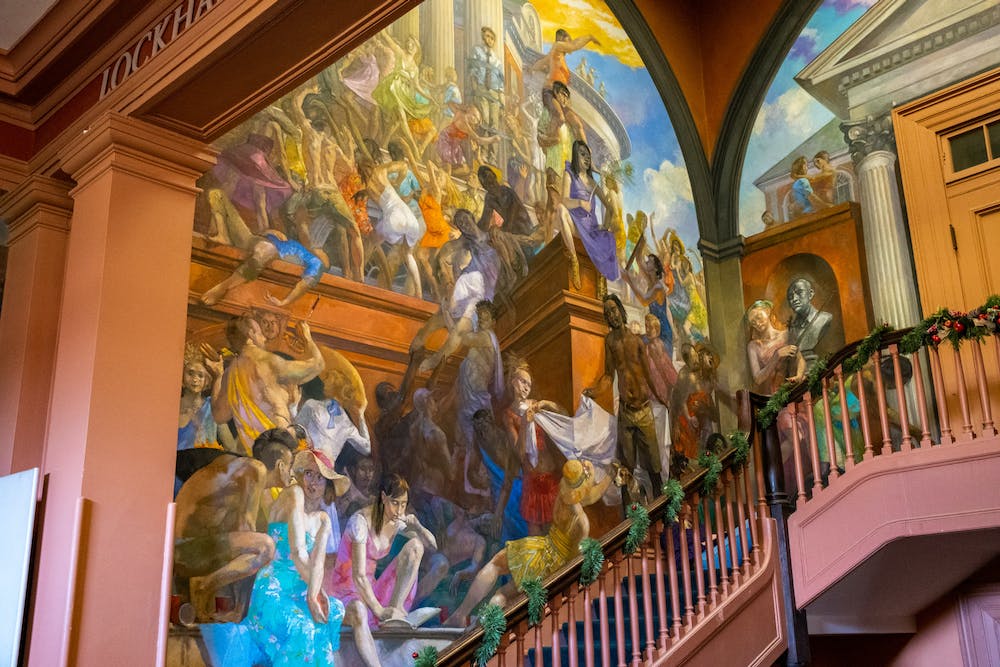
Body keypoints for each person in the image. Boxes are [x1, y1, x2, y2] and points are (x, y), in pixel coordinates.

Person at [443, 459, 611, 627]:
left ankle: (464, 619)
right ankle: (473, 628)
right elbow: (574, 561)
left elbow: (586, 498)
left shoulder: (562, 496)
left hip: (541, 549)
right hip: (550, 560)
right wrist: (609, 478)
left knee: (498, 572)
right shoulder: (581, 522)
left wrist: (609, 478)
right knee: (504, 592)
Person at [172, 428, 297, 622]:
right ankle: (204, 585)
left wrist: (240, 607)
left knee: (257, 546)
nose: (292, 473)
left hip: (190, 552)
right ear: (281, 465)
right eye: (291, 466)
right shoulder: (255, 469)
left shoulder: (240, 472)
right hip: (183, 551)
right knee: (265, 546)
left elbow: (237, 537)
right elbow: (246, 532)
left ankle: (209, 591)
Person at [240, 449, 346, 666]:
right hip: (274, 584)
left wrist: (317, 593)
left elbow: (318, 564)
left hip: (302, 586)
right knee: (302, 626)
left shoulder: (323, 520)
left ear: (327, 486)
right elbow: (298, 552)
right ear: (300, 475)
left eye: (320, 478)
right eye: (309, 473)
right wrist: (312, 595)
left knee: (334, 610)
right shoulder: (293, 494)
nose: (313, 483)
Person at [326, 474, 437, 667]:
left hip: (373, 591)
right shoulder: (360, 522)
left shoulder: (397, 522)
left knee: (415, 546)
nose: (399, 509)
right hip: (349, 593)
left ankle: (395, 611)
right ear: (383, 497)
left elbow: (432, 546)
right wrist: (378, 610)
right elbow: (359, 576)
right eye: (395, 503)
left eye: (404, 504)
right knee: (361, 609)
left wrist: (417, 526)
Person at [585, 294, 671, 504]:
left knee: (653, 466)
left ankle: (662, 510)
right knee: (626, 467)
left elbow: (649, 374)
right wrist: (594, 392)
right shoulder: (610, 342)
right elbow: (608, 375)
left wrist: (662, 398)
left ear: (621, 310)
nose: (611, 316)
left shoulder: (637, 340)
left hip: (643, 409)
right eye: (607, 313)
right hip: (626, 412)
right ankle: (629, 518)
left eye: (613, 310)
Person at [209, 315, 325, 454]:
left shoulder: (230, 373)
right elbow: (317, 365)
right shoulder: (267, 361)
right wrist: (307, 338)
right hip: (278, 447)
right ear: (251, 334)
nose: (264, 337)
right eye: (260, 332)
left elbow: (219, 415)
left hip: (251, 451)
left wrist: (217, 377)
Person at [502, 361, 567, 535]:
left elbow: (564, 416)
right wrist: (524, 423)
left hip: (551, 480)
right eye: (523, 381)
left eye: (529, 384)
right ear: (512, 380)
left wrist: (545, 403)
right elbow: (520, 452)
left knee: (556, 537)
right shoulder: (509, 415)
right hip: (532, 485)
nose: (526, 388)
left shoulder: (535, 405)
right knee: (536, 543)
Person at [356, 137, 425, 297]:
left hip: (394, 218)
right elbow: (403, 165)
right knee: (408, 254)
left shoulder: (369, 185)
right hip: (408, 217)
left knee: (371, 242)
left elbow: (403, 165)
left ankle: (358, 278)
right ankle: (419, 293)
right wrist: (397, 182)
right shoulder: (381, 171)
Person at [563, 140, 620, 284]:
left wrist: (605, 226)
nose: (587, 158)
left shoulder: (592, 182)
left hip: (591, 229)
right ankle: (574, 260)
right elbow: (563, 201)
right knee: (560, 210)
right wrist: (580, 203)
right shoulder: (569, 174)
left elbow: (610, 207)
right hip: (575, 224)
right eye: (583, 155)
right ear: (575, 156)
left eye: (588, 156)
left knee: (608, 237)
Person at [621, 250, 675, 357]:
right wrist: (640, 245)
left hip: (661, 333)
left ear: (655, 268)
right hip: (653, 330)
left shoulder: (658, 288)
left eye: (649, 262)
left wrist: (629, 280)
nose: (646, 263)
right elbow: (638, 260)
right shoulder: (651, 282)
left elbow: (644, 301)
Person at [786, 277, 833, 372]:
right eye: (790, 297)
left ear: (810, 294)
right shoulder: (790, 329)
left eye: (799, 292)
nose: (794, 299)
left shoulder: (825, 319)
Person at [467, 27, 505, 145]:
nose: (489, 40)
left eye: (492, 38)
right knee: (484, 119)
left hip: (494, 92)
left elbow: (500, 83)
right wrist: (474, 87)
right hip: (481, 88)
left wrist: (502, 101)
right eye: (487, 36)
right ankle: (482, 150)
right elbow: (472, 70)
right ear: (483, 37)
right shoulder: (477, 51)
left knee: (494, 124)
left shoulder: (497, 60)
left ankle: (492, 155)